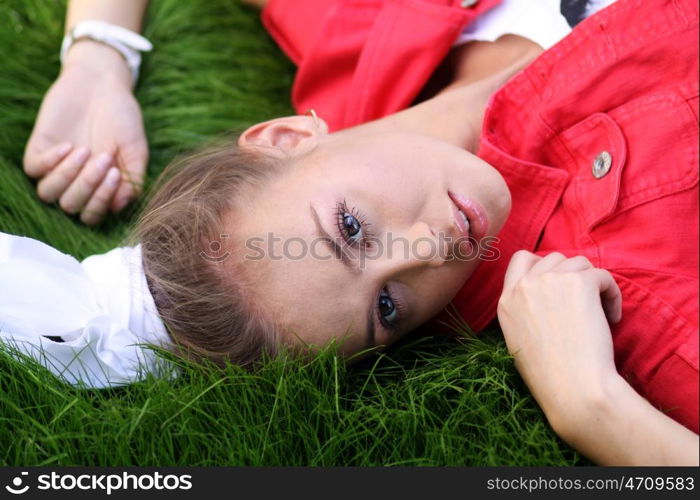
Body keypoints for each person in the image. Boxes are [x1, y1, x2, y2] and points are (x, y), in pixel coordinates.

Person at [6, 0, 698, 465]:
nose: (430, 249)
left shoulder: (357, 32)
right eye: (388, 308)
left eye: (352, 228)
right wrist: (594, 408)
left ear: (285, 138)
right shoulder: (640, 307)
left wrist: (98, 59)